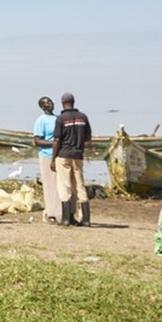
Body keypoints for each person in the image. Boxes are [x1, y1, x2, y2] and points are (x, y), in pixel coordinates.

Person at [50, 93, 92, 227]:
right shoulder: (83, 117)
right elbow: (88, 137)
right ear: (73, 102)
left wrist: (53, 158)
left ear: (62, 103)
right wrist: (78, 143)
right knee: (80, 185)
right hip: (78, 155)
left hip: (63, 155)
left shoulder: (61, 119)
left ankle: (66, 219)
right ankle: (85, 219)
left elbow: (57, 140)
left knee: (65, 186)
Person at [33, 96, 60, 224]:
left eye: (51, 101)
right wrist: (53, 144)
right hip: (46, 155)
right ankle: (50, 214)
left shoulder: (58, 119)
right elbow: (37, 141)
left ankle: (60, 212)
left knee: (60, 185)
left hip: (59, 156)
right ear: (43, 107)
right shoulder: (41, 121)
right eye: (47, 102)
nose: (50, 103)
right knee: (49, 185)